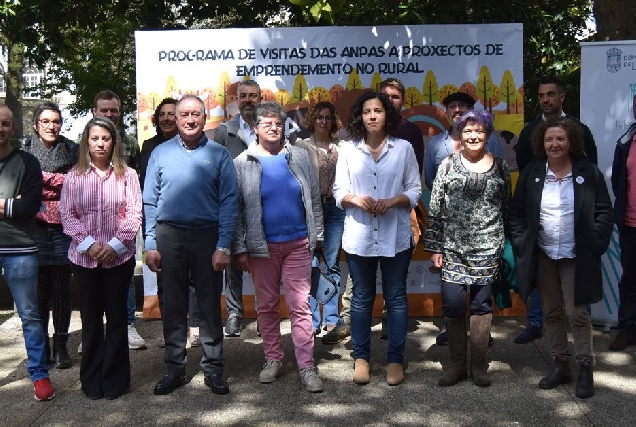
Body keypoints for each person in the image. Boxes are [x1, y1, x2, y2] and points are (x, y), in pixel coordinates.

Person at [509, 117, 612, 398]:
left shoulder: (587, 172)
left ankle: (585, 367)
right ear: (542, 143)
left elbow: (603, 212)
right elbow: (517, 212)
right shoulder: (532, 172)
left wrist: (595, 244)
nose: (554, 144)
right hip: (543, 254)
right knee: (551, 313)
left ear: (571, 142)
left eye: (560, 139)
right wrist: (522, 244)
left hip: (575, 255)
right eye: (549, 139)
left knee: (577, 313)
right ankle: (561, 365)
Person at [144, 94, 237, 396]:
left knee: (209, 304)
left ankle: (214, 368)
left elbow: (229, 202)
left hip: (207, 236)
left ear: (204, 116)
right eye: (184, 115)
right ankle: (174, 368)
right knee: (172, 305)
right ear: (177, 118)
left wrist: (223, 245)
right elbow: (149, 200)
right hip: (168, 236)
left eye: (195, 114)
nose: (189, 120)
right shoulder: (159, 153)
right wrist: (150, 243)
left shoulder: (220, 155)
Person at [322, 78, 426, 345]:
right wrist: (355, 200)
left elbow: (415, 189)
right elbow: (338, 190)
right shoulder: (348, 149)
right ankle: (361, 357)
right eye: (367, 111)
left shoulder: (403, 147)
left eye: (377, 111)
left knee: (396, 297)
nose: (372, 116)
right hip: (360, 236)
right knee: (361, 298)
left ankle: (395, 357)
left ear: (387, 114)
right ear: (360, 116)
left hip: (395, 234)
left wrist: (392, 201)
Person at [233, 101, 324, 392]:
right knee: (268, 306)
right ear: (256, 128)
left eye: (278, 123)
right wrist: (241, 248)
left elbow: (313, 199)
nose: (273, 128)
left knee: (300, 306)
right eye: (267, 124)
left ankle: (306, 365)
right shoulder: (242, 163)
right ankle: (273, 358)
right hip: (262, 248)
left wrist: (317, 236)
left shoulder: (299, 156)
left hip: (299, 243)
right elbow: (237, 211)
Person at [424, 110, 510, 388]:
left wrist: (503, 245)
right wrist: (435, 248)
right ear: (460, 135)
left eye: (479, 131)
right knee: (452, 304)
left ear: (487, 135)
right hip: (453, 249)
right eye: (468, 131)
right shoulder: (447, 165)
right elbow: (435, 210)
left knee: (481, 305)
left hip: (488, 248)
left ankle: (478, 365)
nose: (473, 136)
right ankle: (457, 365)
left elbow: (506, 207)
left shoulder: (500, 166)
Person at [60, 117, 142, 399]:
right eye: (95, 138)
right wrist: (90, 245)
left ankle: (116, 380)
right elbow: (67, 216)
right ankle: (91, 380)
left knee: (117, 319)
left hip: (118, 259)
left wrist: (115, 245)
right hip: (85, 259)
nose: (100, 144)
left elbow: (134, 215)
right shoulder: (74, 176)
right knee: (91, 320)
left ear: (113, 142)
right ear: (87, 142)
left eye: (105, 139)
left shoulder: (128, 175)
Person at [513, 76, 599, 345]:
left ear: (562, 97)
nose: (546, 100)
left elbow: (591, 174)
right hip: (541, 229)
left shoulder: (580, 130)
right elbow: (527, 173)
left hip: (574, 230)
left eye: (551, 94)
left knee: (577, 307)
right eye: (541, 96)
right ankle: (536, 324)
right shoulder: (529, 133)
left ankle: (583, 352)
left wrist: (596, 237)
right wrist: (522, 238)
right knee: (543, 287)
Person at [0, 104, 56, 401]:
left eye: (6, 123)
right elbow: (16, 206)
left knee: (30, 315)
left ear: (13, 127)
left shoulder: (27, 162)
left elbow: (30, 206)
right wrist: (10, 203)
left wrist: (16, 205)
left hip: (20, 248)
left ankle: (39, 374)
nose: (1, 129)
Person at [140, 98, 201, 348]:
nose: (166, 118)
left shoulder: (195, 147)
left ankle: (195, 327)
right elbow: (149, 191)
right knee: (164, 278)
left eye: (170, 114)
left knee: (194, 279)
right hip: (161, 226)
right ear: (157, 119)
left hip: (194, 225)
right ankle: (170, 329)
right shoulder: (149, 148)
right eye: (162, 114)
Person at [23, 102, 78, 369]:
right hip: (33, 228)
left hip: (62, 228)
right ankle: (42, 344)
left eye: (55, 121)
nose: (51, 126)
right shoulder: (24, 151)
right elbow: (24, 190)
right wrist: (55, 182)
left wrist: (42, 181)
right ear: (36, 124)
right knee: (39, 290)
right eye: (45, 121)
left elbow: (74, 183)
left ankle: (61, 346)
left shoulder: (72, 150)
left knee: (61, 290)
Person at [92, 90, 146, 351]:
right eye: (105, 110)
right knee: (93, 282)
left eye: (114, 110)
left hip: (122, 226)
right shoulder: (86, 142)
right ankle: (94, 330)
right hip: (92, 228)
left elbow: (136, 184)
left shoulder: (131, 142)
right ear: (95, 112)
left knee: (123, 279)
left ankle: (127, 325)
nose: (110, 114)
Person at [214, 79, 261, 337]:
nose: (248, 100)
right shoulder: (225, 131)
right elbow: (217, 169)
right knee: (232, 261)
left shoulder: (269, 127)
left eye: (253, 96)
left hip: (262, 204)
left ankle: (263, 312)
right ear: (236, 99)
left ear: (259, 98)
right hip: (232, 204)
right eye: (243, 96)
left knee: (261, 262)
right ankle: (234, 313)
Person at [294, 101, 345, 336]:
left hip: (335, 209)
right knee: (312, 265)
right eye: (319, 117)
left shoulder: (342, 147)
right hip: (311, 210)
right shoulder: (301, 147)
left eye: (328, 117)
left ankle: (332, 317)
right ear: (312, 120)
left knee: (332, 264)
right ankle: (312, 320)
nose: (324, 122)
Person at [609, 94, 636, 351]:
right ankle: (627, 329)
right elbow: (619, 180)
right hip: (631, 225)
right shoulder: (626, 141)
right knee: (629, 279)